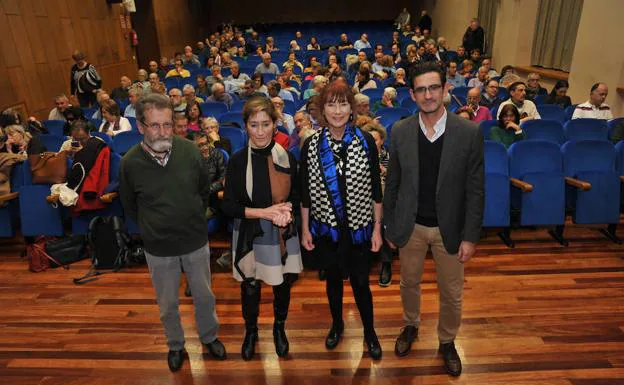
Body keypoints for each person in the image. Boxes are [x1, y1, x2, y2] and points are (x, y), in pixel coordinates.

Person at [383, 62, 484, 377]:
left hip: (449, 229)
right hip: (410, 226)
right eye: (421, 89)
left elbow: (476, 189)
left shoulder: (468, 132)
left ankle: (447, 341)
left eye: (433, 88)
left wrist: (470, 236)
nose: (428, 95)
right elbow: (394, 184)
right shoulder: (399, 131)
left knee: (451, 291)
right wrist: (389, 224)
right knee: (408, 282)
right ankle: (411, 325)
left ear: (444, 89)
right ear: (412, 94)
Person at [119, 93, 226, 372]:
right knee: (168, 303)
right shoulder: (129, 163)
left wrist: (192, 216)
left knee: (204, 296)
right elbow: (130, 206)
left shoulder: (190, 151)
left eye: (168, 124)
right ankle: (176, 344)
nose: (163, 131)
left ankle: (209, 336)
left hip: (194, 239)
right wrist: (154, 225)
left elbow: (203, 191)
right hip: (158, 245)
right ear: (141, 126)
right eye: (155, 125)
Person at [300, 81, 384, 360]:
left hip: (359, 228)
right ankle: (337, 325)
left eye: (343, 104)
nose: (338, 111)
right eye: (331, 104)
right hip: (327, 229)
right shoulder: (311, 144)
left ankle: (370, 332)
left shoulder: (366, 140)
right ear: (322, 109)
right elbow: (305, 193)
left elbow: (376, 188)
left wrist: (376, 229)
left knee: (361, 283)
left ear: (352, 108)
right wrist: (304, 229)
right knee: (333, 281)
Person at [221, 96, 303, 361]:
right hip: (249, 230)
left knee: (282, 285)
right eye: (253, 124)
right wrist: (264, 213)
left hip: (281, 230)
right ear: (245, 125)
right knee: (250, 287)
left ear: (274, 125)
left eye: (265, 124)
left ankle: (279, 329)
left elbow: (299, 195)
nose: (259, 131)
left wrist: (286, 210)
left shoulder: (287, 157)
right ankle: (251, 331)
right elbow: (229, 206)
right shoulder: (236, 161)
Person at [193, 132, 226, 218]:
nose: (205, 147)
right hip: (193, 199)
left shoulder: (217, 154)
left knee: (195, 218)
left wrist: (207, 190)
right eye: (200, 145)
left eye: (206, 143)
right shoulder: (190, 157)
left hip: (211, 199)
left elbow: (223, 179)